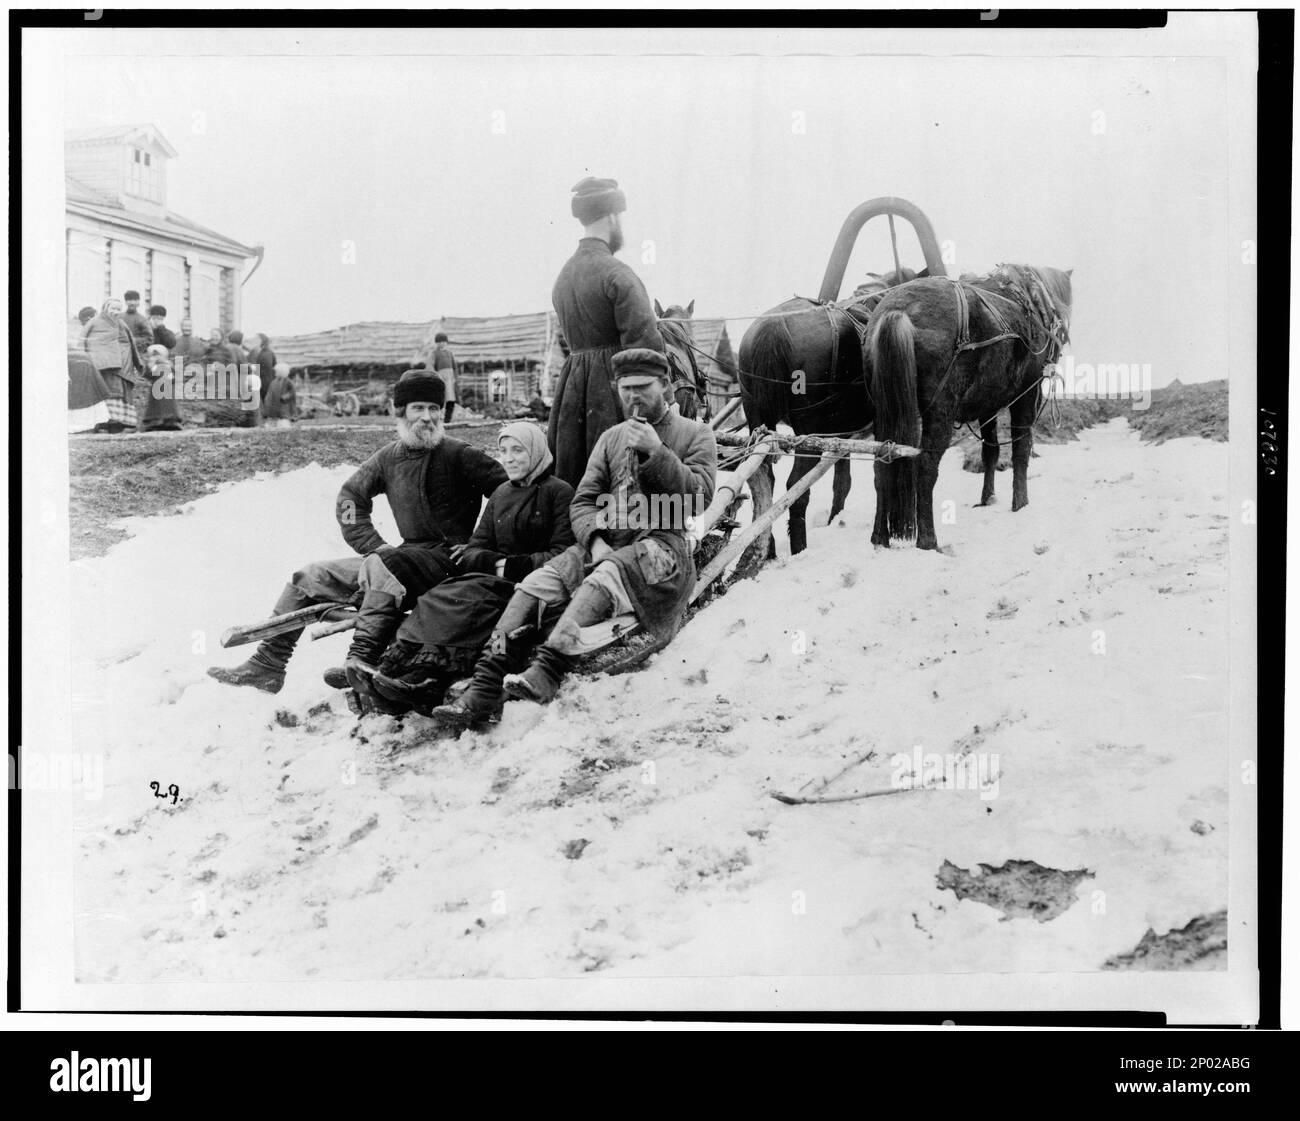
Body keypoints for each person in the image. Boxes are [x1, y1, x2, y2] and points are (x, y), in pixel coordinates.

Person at [432, 348, 716, 728]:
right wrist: (595, 539)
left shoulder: (695, 434)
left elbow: (699, 499)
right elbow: (583, 501)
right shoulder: (610, 438)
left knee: (607, 573)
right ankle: (485, 682)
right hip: (607, 542)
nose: (633, 397)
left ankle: (548, 669)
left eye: (643, 387)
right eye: (625, 388)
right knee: (535, 584)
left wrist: (657, 451)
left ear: (665, 386)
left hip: (661, 547)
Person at [206, 370, 507, 696]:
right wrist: (373, 545)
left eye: (434, 408)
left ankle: (364, 659)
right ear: (401, 412)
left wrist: (479, 545)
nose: (428, 418)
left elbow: (508, 495)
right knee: (309, 576)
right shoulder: (389, 457)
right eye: (418, 408)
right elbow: (351, 498)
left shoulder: (460, 454)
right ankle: (268, 663)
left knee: (382, 566)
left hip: (449, 562)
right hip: (402, 559)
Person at [359, 423, 576, 715]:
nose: (509, 459)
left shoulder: (558, 493)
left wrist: (509, 565)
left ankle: (433, 681)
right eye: (503, 452)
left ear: (536, 452)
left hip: (527, 585)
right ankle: (405, 678)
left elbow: (562, 552)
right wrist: (490, 561)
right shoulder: (501, 493)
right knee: (437, 597)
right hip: (489, 577)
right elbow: (474, 548)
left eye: (518, 451)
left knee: (471, 608)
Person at [548, 176, 665, 486]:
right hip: (612, 391)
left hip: (572, 391)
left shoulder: (563, 277)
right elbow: (646, 351)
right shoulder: (617, 273)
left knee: (575, 477)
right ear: (613, 217)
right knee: (622, 476)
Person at [82, 298, 144, 433]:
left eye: (118, 309)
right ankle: (103, 422)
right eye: (113, 308)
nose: (115, 311)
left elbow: (130, 342)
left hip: (121, 362)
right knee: (105, 390)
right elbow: (85, 340)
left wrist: (135, 362)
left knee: (119, 390)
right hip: (101, 363)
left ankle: (120, 421)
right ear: (105, 308)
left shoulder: (121, 324)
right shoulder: (94, 322)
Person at [68, 309, 112, 434]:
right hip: (84, 361)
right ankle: (92, 423)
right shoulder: (82, 331)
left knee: (93, 391)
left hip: (95, 362)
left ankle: (97, 422)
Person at [139, 343, 183, 432]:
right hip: (157, 389)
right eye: (154, 355)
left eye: (158, 355)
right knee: (156, 406)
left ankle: (170, 422)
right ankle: (155, 422)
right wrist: (150, 366)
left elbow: (175, 377)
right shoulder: (152, 365)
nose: (157, 357)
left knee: (169, 406)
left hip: (167, 389)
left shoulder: (168, 364)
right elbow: (148, 375)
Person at [431, 332, 458, 423]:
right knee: (440, 399)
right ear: (436, 343)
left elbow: (454, 367)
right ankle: (438, 419)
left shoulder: (449, 353)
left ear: (446, 343)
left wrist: (455, 378)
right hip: (440, 378)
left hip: (450, 379)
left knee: (451, 399)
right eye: (439, 342)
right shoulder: (434, 353)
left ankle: (447, 420)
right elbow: (431, 366)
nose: (442, 344)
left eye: (444, 342)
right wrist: (436, 376)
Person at [262, 362, 298, 428]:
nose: (275, 372)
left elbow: (292, 392)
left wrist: (284, 397)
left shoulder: (287, 382)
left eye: (276, 371)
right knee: (275, 422)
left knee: (283, 422)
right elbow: (270, 394)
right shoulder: (274, 381)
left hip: (283, 406)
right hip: (274, 407)